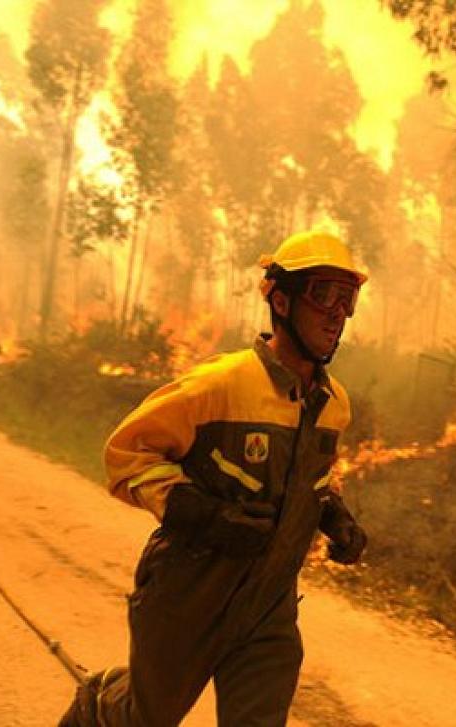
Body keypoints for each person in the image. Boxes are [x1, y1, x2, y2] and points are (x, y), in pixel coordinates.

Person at [59, 230, 369, 727]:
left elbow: (308, 478)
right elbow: (125, 453)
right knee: (146, 717)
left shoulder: (335, 405)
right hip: (189, 596)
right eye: (323, 294)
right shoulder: (220, 385)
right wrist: (200, 514)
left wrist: (333, 514)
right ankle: (99, 701)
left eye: (347, 298)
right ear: (282, 301)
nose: (338, 312)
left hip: (268, 607)